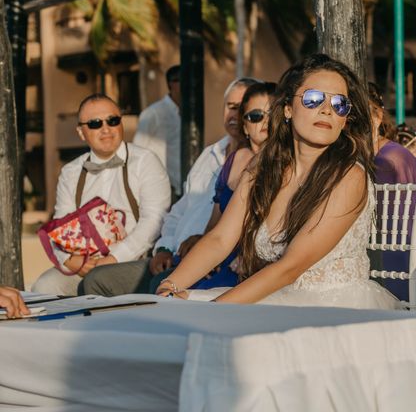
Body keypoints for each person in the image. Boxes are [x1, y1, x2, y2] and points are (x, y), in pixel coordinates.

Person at [157, 54, 398, 310]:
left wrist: (214, 311)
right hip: (279, 297)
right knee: (165, 307)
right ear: (287, 109)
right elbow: (220, 239)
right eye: (313, 99)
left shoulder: (349, 176)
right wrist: (169, 286)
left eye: (339, 104)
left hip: (330, 309)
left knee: (195, 316)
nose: (327, 109)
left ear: (345, 119)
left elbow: (289, 267)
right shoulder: (263, 166)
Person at [79, 78, 261, 297]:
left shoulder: (258, 163)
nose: (236, 114)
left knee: (159, 285)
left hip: (208, 261)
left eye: (245, 109)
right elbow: (179, 209)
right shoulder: (209, 154)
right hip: (172, 255)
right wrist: (163, 248)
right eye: (231, 107)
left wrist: (201, 241)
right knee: (95, 282)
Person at [32, 94, 171, 296]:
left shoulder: (145, 161)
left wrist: (113, 259)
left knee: (98, 283)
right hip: (85, 266)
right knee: (44, 287)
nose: (105, 129)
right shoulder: (71, 172)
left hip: (135, 261)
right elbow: (61, 227)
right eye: (95, 123)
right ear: (81, 132)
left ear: (121, 123)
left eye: (112, 121)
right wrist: (71, 260)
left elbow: (154, 221)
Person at [151, 81, 279, 292]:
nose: (265, 121)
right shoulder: (235, 159)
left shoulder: (285, 165)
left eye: (271, 113)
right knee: (166, 290)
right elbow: (214, 227)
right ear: (244, 125)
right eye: (255, 116)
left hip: (251, 266)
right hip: (217, 256)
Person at [368, 83, 416, 307]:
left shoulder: (387, 161)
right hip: (411, 266)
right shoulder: (383, 154)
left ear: (377, 117)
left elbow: (383, 236)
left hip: (395, 274)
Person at [133, 65, 181, 196]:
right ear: (172, 84)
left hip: (183, 187)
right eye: (182, 81)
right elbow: (138, 150)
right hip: (163, 188)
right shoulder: (153, 113)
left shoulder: (188, 114)